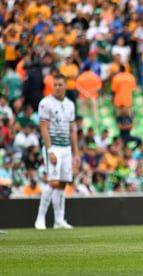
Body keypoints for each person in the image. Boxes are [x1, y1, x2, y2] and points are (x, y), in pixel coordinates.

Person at [34, 73, 80, 230]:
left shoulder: (70, 104)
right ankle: (40, 218)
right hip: (53, 146)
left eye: (61, 84)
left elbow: (72, 129)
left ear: (66, 85)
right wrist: (50, 150)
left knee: (62, 183)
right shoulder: (45, 103)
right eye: (56, 85)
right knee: (52, 181)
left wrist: (76, 152)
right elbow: (43, 128)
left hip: (66, 147)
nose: (58, 87)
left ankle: (59, 220)